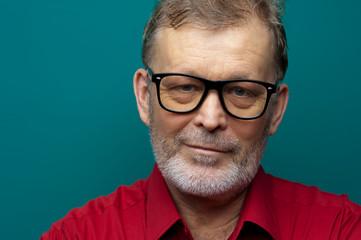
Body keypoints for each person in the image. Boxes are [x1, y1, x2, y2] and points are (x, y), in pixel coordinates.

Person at [41, 0, 361, 239]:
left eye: (240, 91)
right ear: (144, 97)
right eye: (184, 87)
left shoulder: (342, 230)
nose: (210, 119)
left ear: (275, 110)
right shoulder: (77, 235)